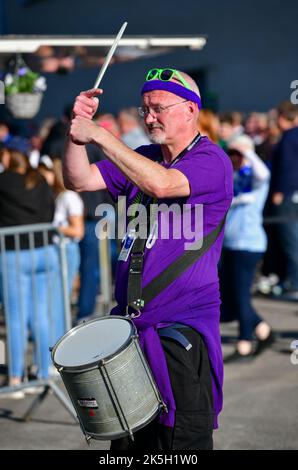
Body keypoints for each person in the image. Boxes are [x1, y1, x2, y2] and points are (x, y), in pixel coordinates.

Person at [63, 68, 233, 450]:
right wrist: (77, 133)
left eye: (158, 108)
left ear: (190, 109)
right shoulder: (142, 157)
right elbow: (78, 180)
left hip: (180, 331)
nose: (150, 117)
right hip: (130, 334)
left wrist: (102, 136)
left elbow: (162, 184)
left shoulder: (212, 160)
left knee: (179, 444)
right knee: (128, 447)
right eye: (145, 110)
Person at [0, 150, 57, 397]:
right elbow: (51, 211)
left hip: (14, 253)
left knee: (16, 318)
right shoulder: (40, 180)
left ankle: (16, 378)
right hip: (45, 250)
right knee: (40, 315)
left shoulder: (4, 182)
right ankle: (43, 374)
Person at [220, 135, 274, 362]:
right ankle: (263, 330)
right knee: (231, 297)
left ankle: (245, 343)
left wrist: (246, 151)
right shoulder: (233, 176)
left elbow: (265, 173)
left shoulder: (256, 178)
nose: (235, 158)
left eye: (238, 155)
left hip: (249, 244)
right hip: (230, 244)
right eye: (232, 155)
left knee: (242, 296)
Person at [270, 102, 298, 299]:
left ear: (282, 118)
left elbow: (288, 167)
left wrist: (280, 191)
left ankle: (295, 283)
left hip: (287, 196)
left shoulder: (288, 138)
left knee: (290, 241)